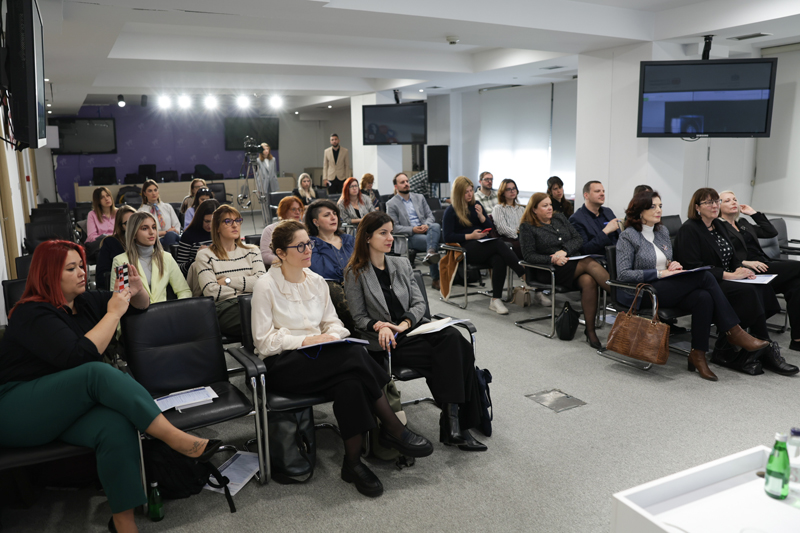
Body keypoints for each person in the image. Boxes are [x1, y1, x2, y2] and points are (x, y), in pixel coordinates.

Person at [0, 240, 222, 533]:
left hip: (63, 408)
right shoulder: (30, 313)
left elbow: (140, 307)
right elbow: (77, 357)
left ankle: (123, 523)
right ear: (48, 275)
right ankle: (175, 438)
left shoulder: (85, 301)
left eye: (81, 265)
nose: (82, 272)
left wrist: (137, 290)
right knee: (96, 372)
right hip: (16, 408)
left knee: (115, 425)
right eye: (71, 268)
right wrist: (113, 313)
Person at [251, 220, 433, 498]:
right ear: (280, 253)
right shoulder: (265, 286)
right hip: (283, 364)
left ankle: (353, 464)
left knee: (351, 382)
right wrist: (306, 340)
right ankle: (393, 427)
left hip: (322, 360)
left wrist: (330, 336)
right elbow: (263, 341)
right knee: (355, 354)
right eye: (300, 246)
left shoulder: (317, 282)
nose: (308, 250)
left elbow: (334, 324)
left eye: (309, 244)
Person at [344, 212, 486, 451]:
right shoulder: (355, 272)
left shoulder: (401, 263)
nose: (390, 238)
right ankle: (456, 425)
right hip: (387, 342)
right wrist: (381, 326)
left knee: (455, 340)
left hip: (411, 330)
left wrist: (405, 323)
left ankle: (453, 423)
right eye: (383, 233)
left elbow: (419, 303)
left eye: (391, 232)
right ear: (367, 237)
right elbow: (359, 318)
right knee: (455, 348)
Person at [617, 191, 771, 381]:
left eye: (660, 206)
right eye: (653, 207)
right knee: (704, 276)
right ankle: (733, 330)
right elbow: (623, 274)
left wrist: (672, 264)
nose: (659, 210)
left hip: (666, 285)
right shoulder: (628, 236)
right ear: (640, 211)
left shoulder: (661, 231)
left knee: (703, 297)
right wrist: (660, 273)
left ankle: (698, 355)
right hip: (643, 291)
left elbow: (667, 260)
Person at [673, 188, 796, 375]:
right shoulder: (689, 229)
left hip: (728, 277)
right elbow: (692, 267)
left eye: (716, 201)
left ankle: (755, 346)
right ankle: (763, 347)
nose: (714, 205)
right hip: (707, 281)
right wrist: (730, 275)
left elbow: (733, 257)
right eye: (709, 202)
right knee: (748, 292)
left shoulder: (719, 225)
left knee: (760, 287)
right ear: (697, 207)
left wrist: (741, 270)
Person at [519, 193, 610, 349]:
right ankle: (621, 296)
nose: (550, 208)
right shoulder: (527, 226)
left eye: (550, 204)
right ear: (534, 209)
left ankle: (590, 331)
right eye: (545, 206)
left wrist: (565, 251)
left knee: (588, 280)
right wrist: (552, 259)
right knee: (589, 262)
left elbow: (578, 239)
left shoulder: (559, 218)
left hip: (570, 263)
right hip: (548, 270)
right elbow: (529, 255)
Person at [718, 190, 800, 353]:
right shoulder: (719, 227)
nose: (733, 202)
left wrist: (753, 213)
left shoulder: (743, 223)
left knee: (797, 285)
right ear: (718, 207)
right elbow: (721, 254)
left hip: (764, 265)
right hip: (746, 271)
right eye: (727, 201)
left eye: (735, 199)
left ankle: (797, 340)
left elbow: (771, 232)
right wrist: (744, 262)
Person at [442, 176, 526, 315]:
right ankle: (522, 273)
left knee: (499, 259)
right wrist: (471, 236)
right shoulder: (451, 210)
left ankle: (495, 299)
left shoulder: (476, 205)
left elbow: (490, 227)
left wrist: (482, 217)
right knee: (499, 243)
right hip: (465, 248)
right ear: (458, 193)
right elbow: (447, 237)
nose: (470, 194)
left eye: (471, 190)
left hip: (482, 245)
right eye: (466, 192)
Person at [195, 206, 266, 338]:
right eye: (228, 221)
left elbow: (262, 282)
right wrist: (248, 287)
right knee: (264, 321)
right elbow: (212, 292)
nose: (235, 225)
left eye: (237, 220)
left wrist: (228, 281)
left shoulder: (252, 251)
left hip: (255, 302)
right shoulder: (205, 255)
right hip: (225, 308)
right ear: (217, 227)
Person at [112, 212, 191, 303]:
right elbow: (119, 299)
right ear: (133, 234)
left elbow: (184, 291)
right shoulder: (121, 261)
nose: (151, 232)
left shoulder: (166, 257)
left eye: (154, 227)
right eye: (145, 228)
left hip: (163, 311)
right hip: (136, 311)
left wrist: (177, 310)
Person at [305, 199, 357, 333]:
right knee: (332, 286)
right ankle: (360, 330)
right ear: (316, 222)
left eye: (334, 214)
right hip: (329, 290)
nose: (333, 217)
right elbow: (321, 271)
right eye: (327, 215)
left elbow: (362, 264)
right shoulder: (311, 244)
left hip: (356, 284)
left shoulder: (349, 240)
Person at [386, 172, 441, 290]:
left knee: (435, 226)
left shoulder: (419, 197)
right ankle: (436, 278)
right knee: (432, 242)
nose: (406, 184)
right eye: (402, 182)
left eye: (407, 181)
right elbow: (394, 227)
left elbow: (430, 216)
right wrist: (413, 229)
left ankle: (430, 253)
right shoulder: (391, 204)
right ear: (396, 186)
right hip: (409, 236)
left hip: (427, 231)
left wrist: (426, 225)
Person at [569, 180, 620, 255]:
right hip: (599, 258)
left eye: (603, 191)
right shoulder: (577, 219)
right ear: (586, 195)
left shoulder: (608, 211)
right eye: (597, 191)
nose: (602, 194)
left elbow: (619, 237)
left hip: (619, 255)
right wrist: (605, 232)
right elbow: (584, 249)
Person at [176, 199, 219, 276]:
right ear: (200, 219)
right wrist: (197, 257)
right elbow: (179, 269)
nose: (210, 225)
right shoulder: (189, 235)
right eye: (207, 221)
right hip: (198, 276)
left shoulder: (222, 233)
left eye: (213, 222)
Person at [96, 206, 137, 287]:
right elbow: (102, 276)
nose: (133, 226)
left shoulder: (147, 241)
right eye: (128, 223)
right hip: (123, 287)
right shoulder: (112, 243)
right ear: (121, 227)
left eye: (135, 221)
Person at [260, 196, 305, 267]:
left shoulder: (305, 228)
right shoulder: (270, 230)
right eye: (293, 209)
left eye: (299, 209)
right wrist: (286, 261)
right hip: (281, 267)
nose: (298, 212)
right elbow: (265, 256)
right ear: (284, 211)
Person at [138, 179, 180, 248]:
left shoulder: (167, 207)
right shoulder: (141, 211)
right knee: (168, 238)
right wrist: (165, 233)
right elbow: (144, 233)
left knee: (171, 236)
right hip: (154, 240)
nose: (154, 193)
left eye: (155, 190)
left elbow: (177, 226)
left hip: (172, 237)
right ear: (144, 193)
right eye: (150, 191)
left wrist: (172, 231)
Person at [85, 186, 117, 258]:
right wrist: (108, 238)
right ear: (98, 201)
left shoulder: (119, 212)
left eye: (108, 195)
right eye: (102, 197)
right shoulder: (92, 214)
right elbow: (91, 237)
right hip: (97, 244)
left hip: (115, 243)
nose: (106, 199)